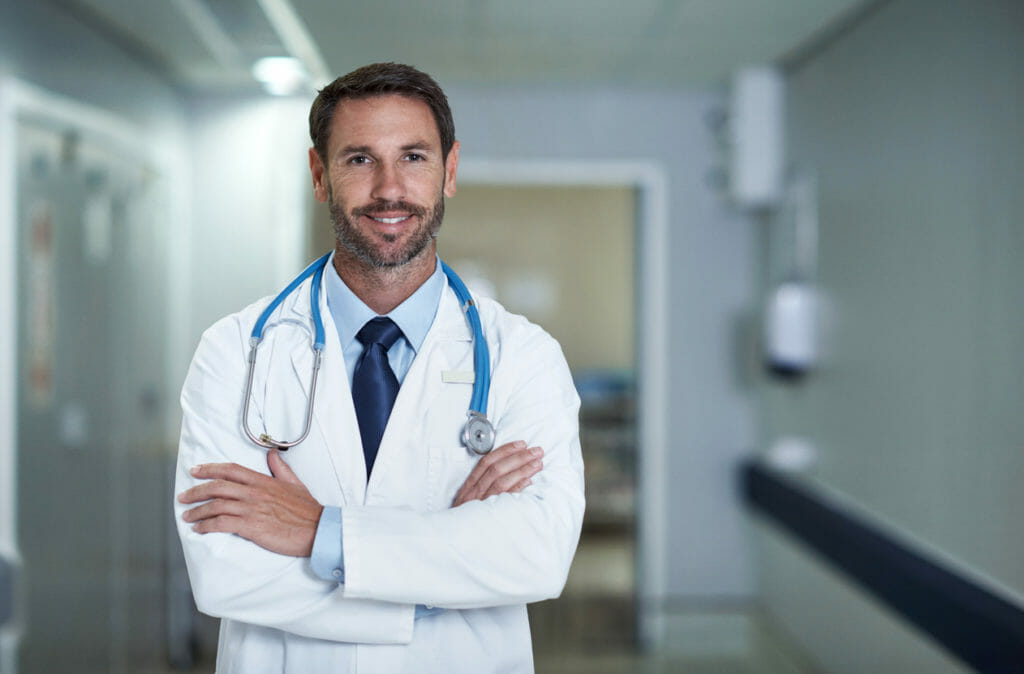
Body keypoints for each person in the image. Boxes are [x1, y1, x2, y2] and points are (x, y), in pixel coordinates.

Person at [174, 62, 585, 673]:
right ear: (320, 174)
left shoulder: (523, 357)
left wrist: (321, 533)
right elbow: (224, 573)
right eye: (359, 159)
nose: (389, 189)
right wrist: (439, 578)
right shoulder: (235, 352)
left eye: (414, 157)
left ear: (449, 172)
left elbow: (536, 555)